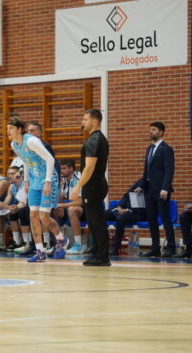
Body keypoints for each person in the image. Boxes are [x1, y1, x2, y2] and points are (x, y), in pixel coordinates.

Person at [8, 116, 67, 262]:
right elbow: (26, 161)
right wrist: (26, 181)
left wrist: (47, 182)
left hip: (48, 179)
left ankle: (61, 239)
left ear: (19, 129)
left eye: (10, 128)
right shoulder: (14, 144)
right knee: (32, 216)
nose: (7, 131)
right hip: (34, 181)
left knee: (43, 216)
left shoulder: (31, 141)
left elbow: (50, 159)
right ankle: (40, 250)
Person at [71, 109, 110, 266]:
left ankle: (102, 257)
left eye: (85, 119)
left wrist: (77, 186)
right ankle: (96, 253)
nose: (82, 122)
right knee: (93, 221)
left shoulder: (94, 140)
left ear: (94, 121)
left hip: (93, 185)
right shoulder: (97, 138)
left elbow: (89, 167)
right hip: (95, 184)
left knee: (96, 221)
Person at [134, 121, 175, 258]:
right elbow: (146, 171)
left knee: (165, 218)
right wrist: (141, 185)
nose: (151, 132)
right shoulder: (149, 149)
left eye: (154, 129)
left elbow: (169, 170)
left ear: (161, 132)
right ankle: (155, 247)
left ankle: (171, 247)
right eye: (150, 129)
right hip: (149, 189)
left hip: (161, 190)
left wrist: (165, 188)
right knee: (151, 219)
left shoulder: (166, 149)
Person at [53, 158, 86, 255]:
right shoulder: (63, 180)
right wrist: (58, 188)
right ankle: (56, 241)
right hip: (68, 207)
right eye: (60, 169)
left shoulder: (78, 179)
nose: (61, 171)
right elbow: (59, 200)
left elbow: (79, 202)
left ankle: (78, 244)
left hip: (85, 209)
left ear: (71, 169)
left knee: (72, 209)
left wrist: (62, 205)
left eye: (64, 168)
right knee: (51, 209)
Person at [106, 180, 148, 256]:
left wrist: (128, 210)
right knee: (103, 215)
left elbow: (147, 207)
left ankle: (115, 248)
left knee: (121, 219)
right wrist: (120, 207)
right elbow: (127, 195)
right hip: (124, 209)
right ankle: (99, 245)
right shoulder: (141, 181)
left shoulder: (153, 187)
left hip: (138, 213)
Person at [0, 165, 31, 252]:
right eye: (8, 174)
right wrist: (2, 204)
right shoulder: (11, 187)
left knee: (23, 212)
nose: (10, 176)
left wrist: (16, 207)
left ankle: (27, 242)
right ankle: (17, 242)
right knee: (12, 213)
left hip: (29, 207)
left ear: (19, 175)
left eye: (12, 173)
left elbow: (25, 202)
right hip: (19, 207)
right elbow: (6, 201)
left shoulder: (25, 184)